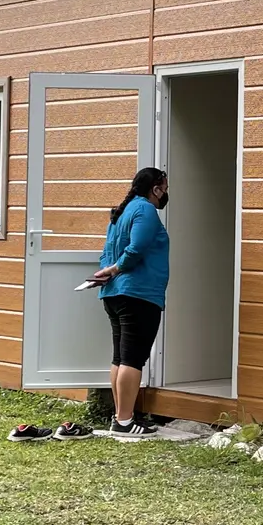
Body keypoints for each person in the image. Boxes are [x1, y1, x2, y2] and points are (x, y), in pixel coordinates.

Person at [89, 166, 171, 438]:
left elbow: (106, 253)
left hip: (114, 294)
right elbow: (137, 249)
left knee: (121, 357)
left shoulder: (121, 212)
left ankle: (119, 417)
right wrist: (115, 269)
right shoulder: (145, 210)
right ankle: (125, 421)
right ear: (155, 188)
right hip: (139, 293)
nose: (166, 193)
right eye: (165, 188)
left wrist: (106, 272)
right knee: (133, 359)